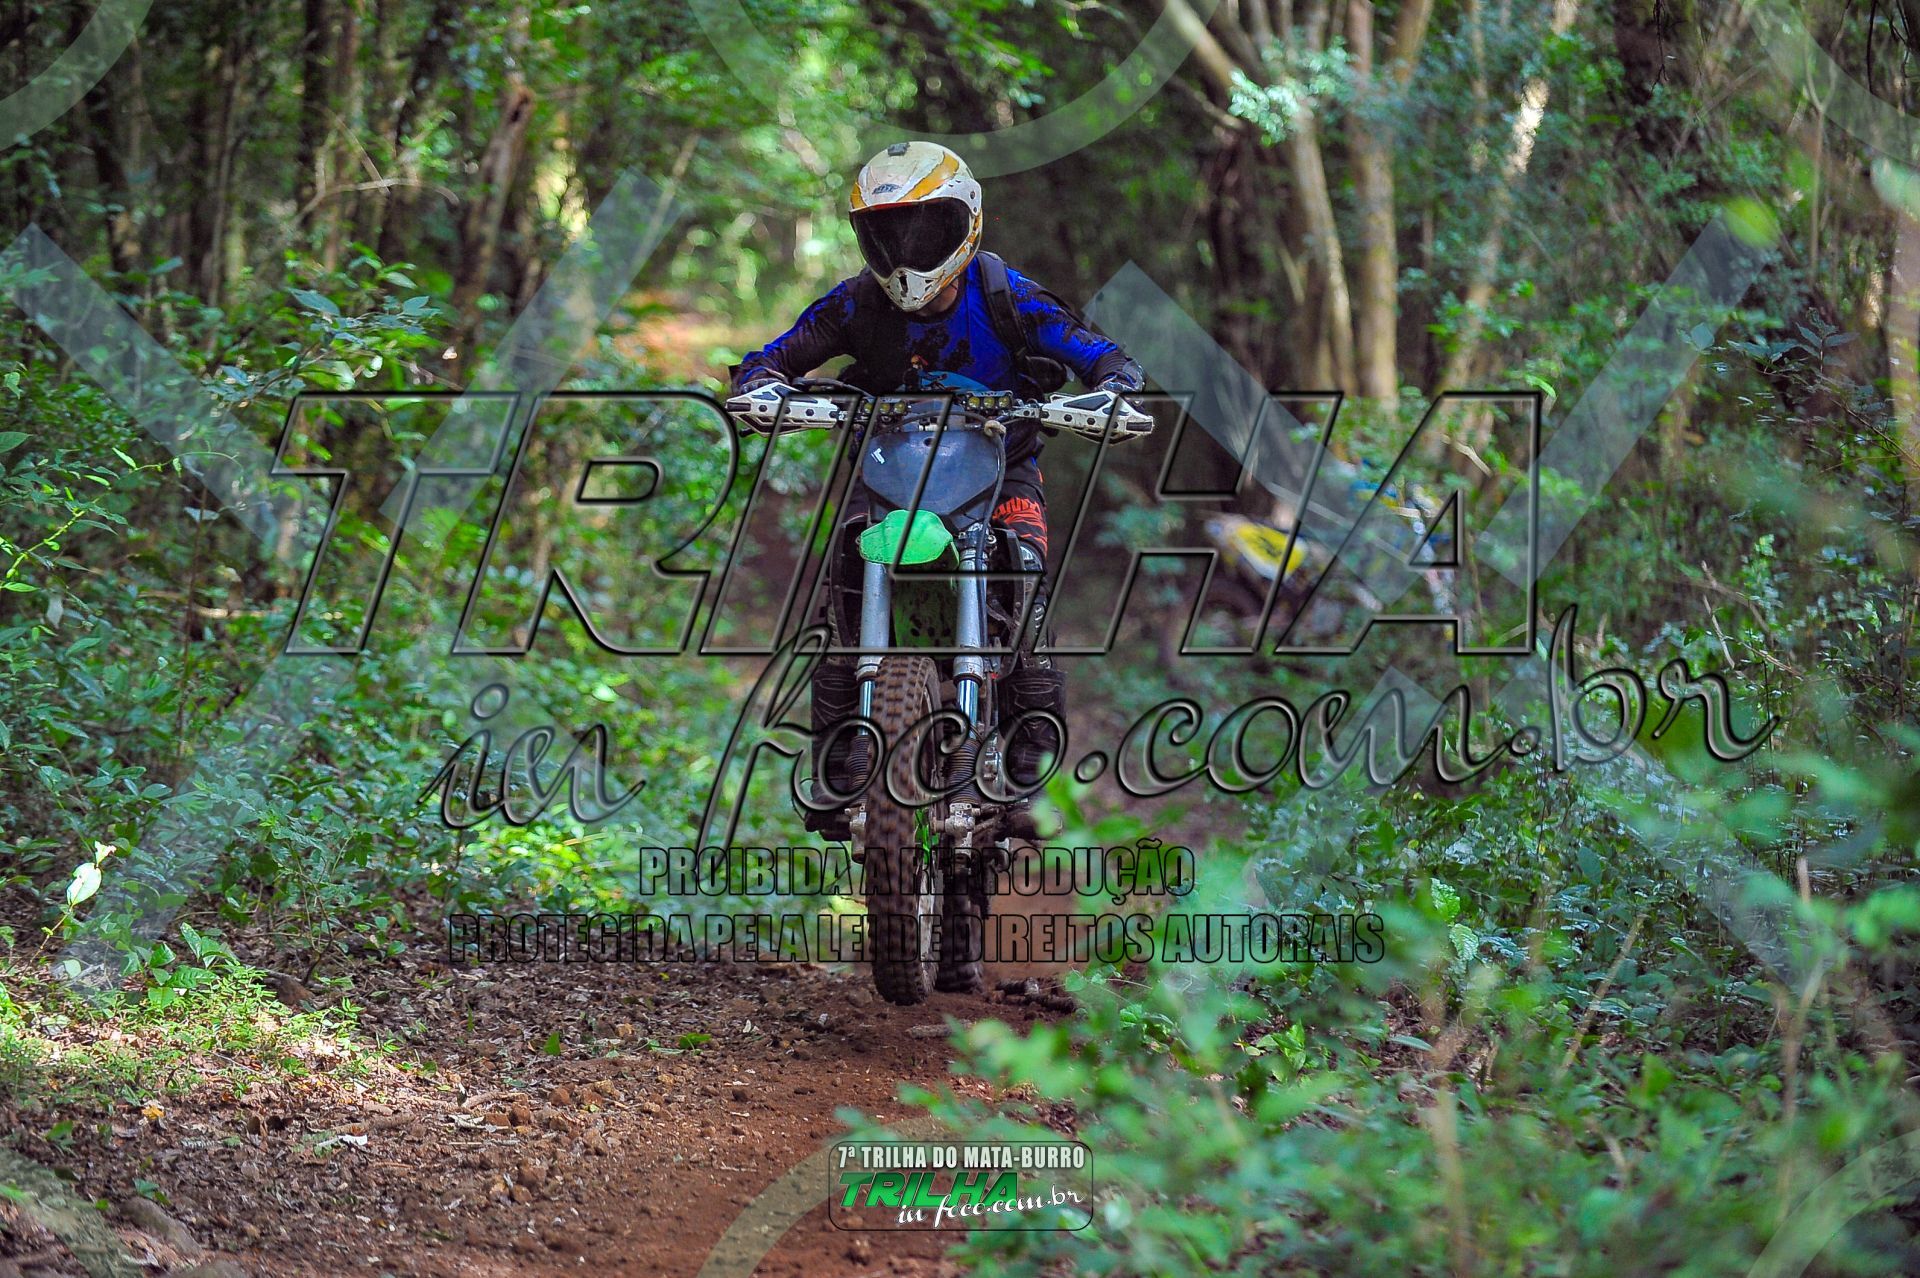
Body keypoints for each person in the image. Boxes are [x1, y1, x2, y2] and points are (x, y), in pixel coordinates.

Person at [731, 141, 1145, 836]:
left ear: (967, 221)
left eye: (925, 230)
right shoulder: (856, 303)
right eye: (888, 234)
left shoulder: (1006, 295)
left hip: (1001, 468)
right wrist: (763, 388)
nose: (906, 251)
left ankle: (1029, 773)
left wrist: (1113, 392)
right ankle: (838, 765)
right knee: (845, 574)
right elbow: (772, 359)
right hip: (891, 471)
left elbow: (1102, 354)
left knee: (1027, 581)